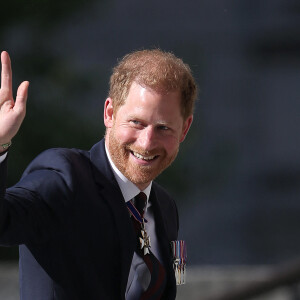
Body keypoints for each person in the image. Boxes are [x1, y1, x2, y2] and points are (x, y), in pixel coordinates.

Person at [0, 49, 197, 300]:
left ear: (184, 129)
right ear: (109, 114)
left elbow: (176, 282)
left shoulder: (167, 207)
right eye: (136, 122)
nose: (147, 143)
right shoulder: (64, 178)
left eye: (163, 128)